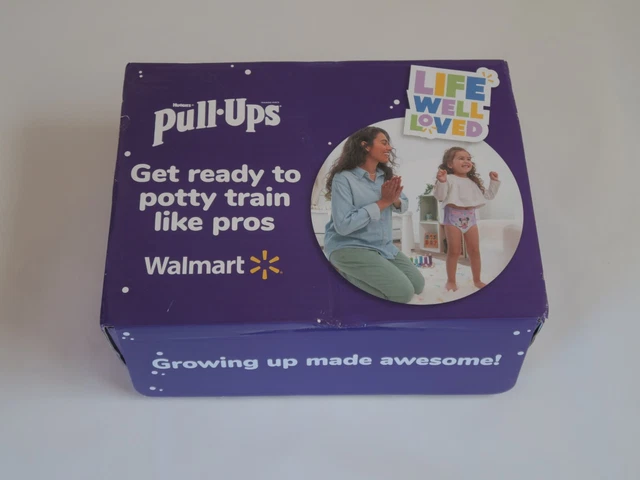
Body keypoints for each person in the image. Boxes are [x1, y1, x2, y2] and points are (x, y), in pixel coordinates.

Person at [323, 127, 425, 303]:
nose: (389, 148)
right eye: (384, 143)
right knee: (403, 293)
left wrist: (393, 199)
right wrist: (383, 202)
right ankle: (340, 275)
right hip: (349, 246)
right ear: (365, 146)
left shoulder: (385, 176)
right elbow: (343, 226)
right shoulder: (344, 178)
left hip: (382, 246)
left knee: (418, 284)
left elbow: (402, 205)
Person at [433, 147, 500, 291]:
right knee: (454, 251)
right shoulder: (448, 178)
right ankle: (451, 281)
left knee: (474, 250)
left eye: (469, 159)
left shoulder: (473, 181)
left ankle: (477, 280)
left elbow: (488, 196)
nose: (466, 161)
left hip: (470, 217)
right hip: (453, 217)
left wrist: (493, 181)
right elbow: (440, 196)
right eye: (461, 158)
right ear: (450, 164)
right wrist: (442, 181)